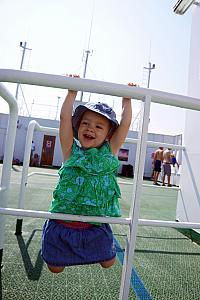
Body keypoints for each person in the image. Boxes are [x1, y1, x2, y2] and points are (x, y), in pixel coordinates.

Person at [41, 76, 134, 273]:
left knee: (108, 263)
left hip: (94, 227)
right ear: (77, 127)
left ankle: (94, 249)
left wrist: (128, 99)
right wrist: (71, 93)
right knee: (55, 268)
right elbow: (64, 119)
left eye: (98, 126)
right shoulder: (70, 151)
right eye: (85, 123)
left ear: (108, 134)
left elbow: (124, 125)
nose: (90, 128)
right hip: (63, 223)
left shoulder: (110, 152)